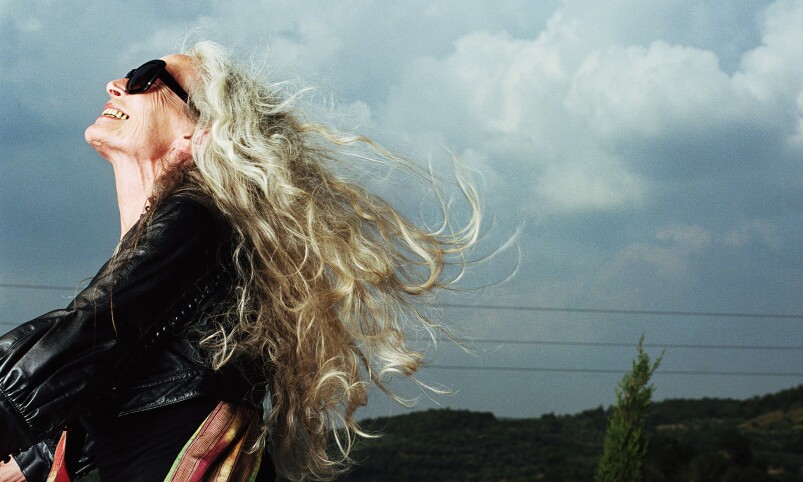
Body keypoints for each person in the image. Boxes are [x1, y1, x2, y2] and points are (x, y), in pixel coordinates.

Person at [0, 41, 479, 481]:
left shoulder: (198, 217)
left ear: (199, 133)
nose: (117, 85)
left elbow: (90, 331)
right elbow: (121, 370)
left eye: (147, 76)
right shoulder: (187, 245)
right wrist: (30, 461)